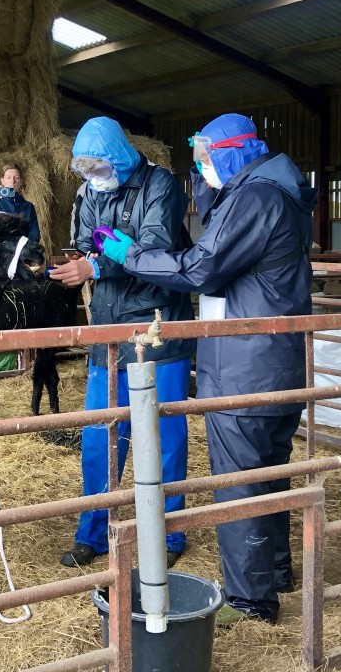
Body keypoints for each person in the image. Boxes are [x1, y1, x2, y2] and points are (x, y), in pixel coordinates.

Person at [95, 113, 317, 625]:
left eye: (207, 159)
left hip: (247, 365)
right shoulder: (271, 190)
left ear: (234, 152)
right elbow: (219, 232)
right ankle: (274, 571)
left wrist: (132, 255)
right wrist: (204, 176)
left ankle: (249, 600)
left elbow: (199, 267)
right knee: (270, 472)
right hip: (274, 358)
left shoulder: (257, 198)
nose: (204, 170)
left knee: (240, 480)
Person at [48, 116, 195, 569]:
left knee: (163, 432)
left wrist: (96, 267)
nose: (93, 179)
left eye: (98, 168)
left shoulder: (161, 186)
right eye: (86, 172)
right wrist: (80, 264)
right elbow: (87, 240)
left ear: (118, 156)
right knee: (101, 434)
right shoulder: (90, 191)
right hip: (108, 326)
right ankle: (93, 531)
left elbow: (154, 248)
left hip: (156, 324)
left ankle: (167, 533)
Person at [0, 163, 40, 242]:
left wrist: (17, 243)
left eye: (16, 178)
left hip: (22, 251)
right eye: (9, 177)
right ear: (2, 180)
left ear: (21, 181)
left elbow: (35, 235)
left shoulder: (28, 206)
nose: (12, 181)